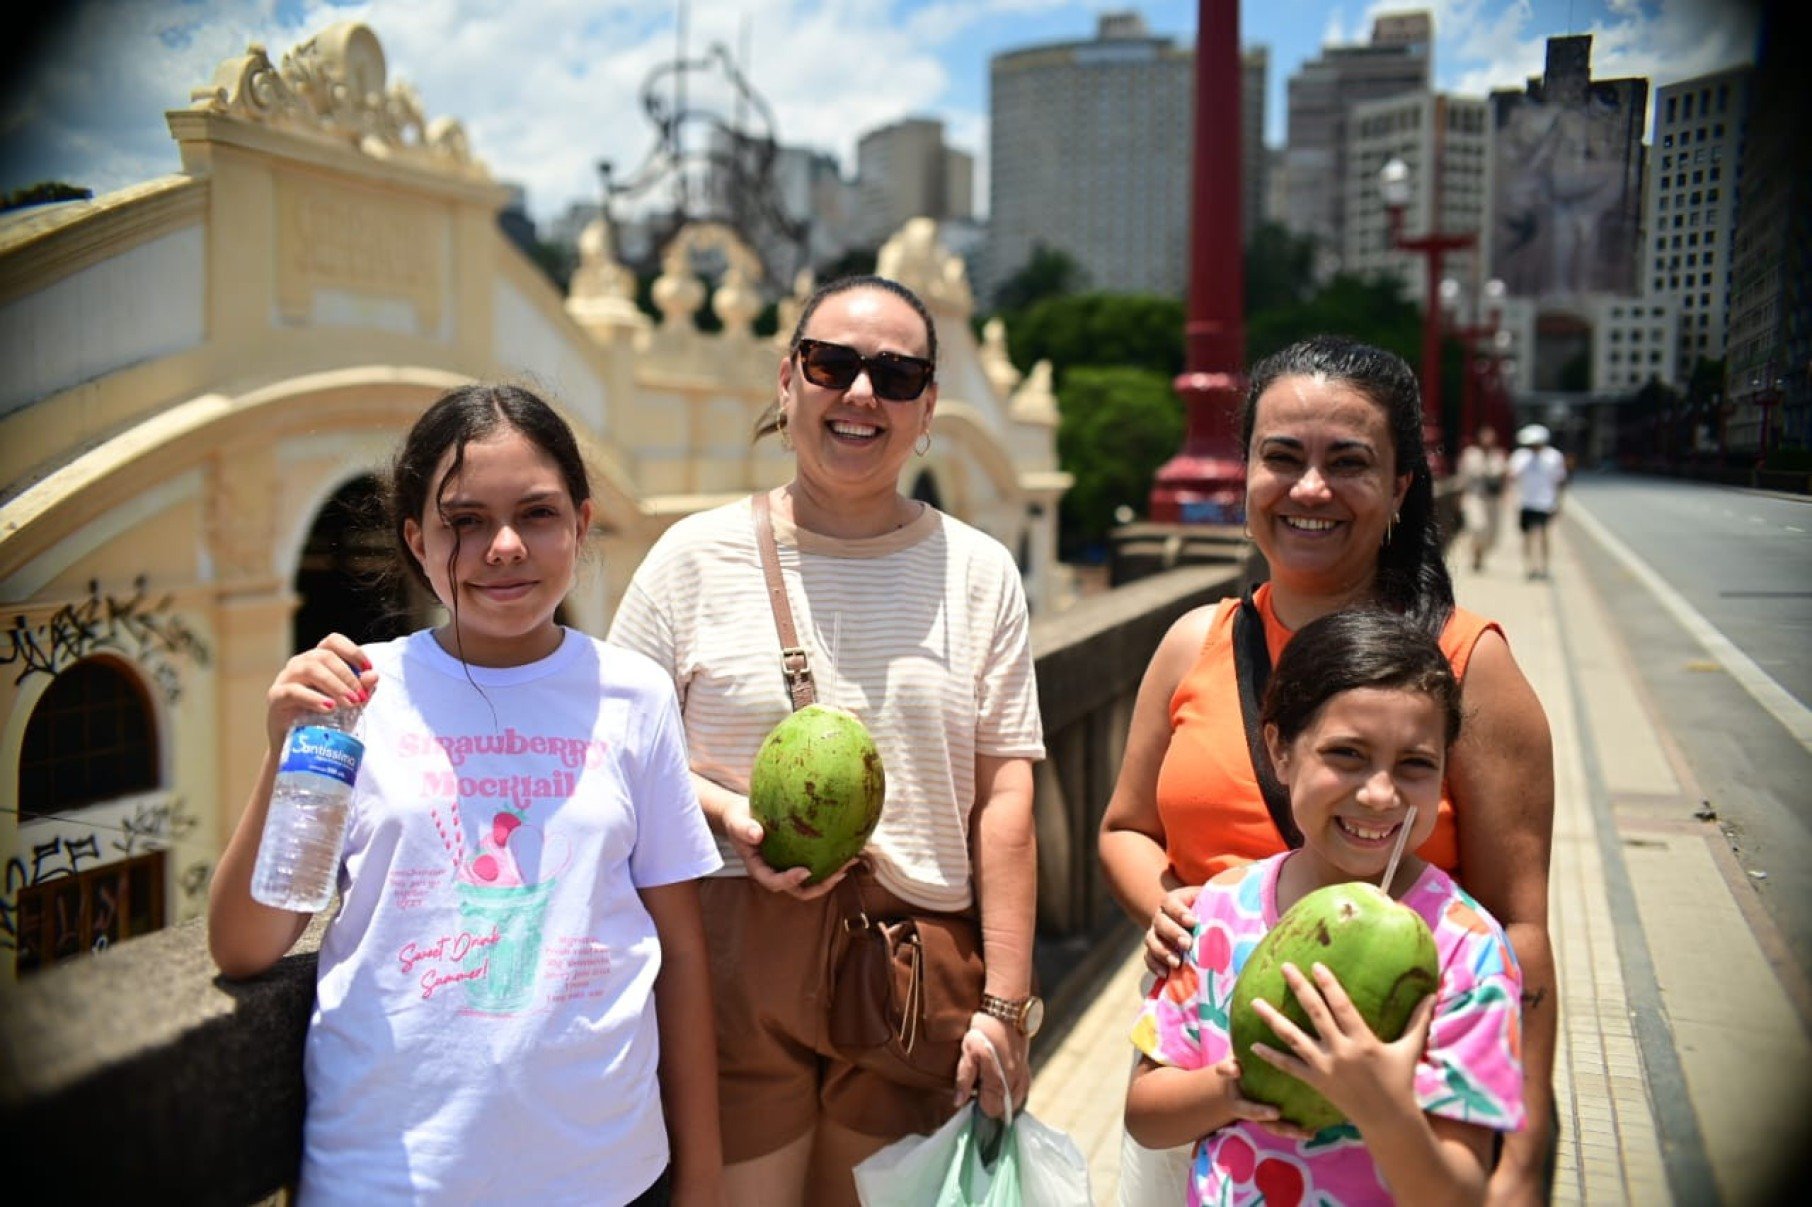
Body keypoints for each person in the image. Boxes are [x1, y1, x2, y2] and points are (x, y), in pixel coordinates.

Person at [208, 384, 724, 1205]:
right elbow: (245, 944)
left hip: (605, 1173)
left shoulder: (636, 696)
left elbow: (681, 954)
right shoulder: (359, 696)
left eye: (538, 513)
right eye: (466, 521)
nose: (505, 546)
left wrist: (703, 1178)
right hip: (382, 1175)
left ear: (583, 524)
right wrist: (286, 752)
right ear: (417, 540)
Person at [606, 274, 1045, 1206]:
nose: (859, 393)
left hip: (913, 969)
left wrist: (1008, 1006)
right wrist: (727, 812)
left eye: (894, 375)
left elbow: (1006, 797)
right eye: (831, 363)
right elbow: (613, 758)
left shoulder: (980, 572)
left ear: (927, 406)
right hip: (730, 958)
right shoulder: (689, 559)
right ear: (787, 381)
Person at [1098, 336, 1555, 1206]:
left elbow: (1520, 927)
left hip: (1393, 1108)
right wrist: (1162, 903)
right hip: (1205, 1060)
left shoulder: (1466, 662)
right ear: (1246, 479)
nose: (1310, 488)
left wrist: (1521, 1166)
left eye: (1349, 462)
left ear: (1400, 490)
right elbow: (1125, 827)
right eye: (1282, 458)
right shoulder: (1195, 643)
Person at [1125, 608, 1525, 1204]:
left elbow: (1463, 1193)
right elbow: (1145, 1114)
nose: (1380, 793)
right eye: (1347, 754)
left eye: (1415, 764)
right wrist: (1239, 1087)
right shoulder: (1216, 913)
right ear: (1280, 752)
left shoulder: (1467, 950)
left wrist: (1383, 1107)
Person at [1509, 424, 1568, 580]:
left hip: (1545, 502)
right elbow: (1512, 476)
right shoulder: (1520, 456)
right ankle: (1529, 566)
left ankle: (1544, 566)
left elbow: (1560, 481)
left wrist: (1559, 502)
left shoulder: (1554, 457)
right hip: (1525, 501)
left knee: (1543, 535)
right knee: (1527, 536)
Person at [1456, 426, 1509, 573]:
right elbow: (1462, 476)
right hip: (1474, 497)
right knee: (1478, 527)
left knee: (1491, 534)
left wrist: (1506, 494)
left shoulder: (1499, 455)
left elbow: (1505, 478)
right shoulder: (1470, 454)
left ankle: (1480, 556)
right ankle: (1474, 554)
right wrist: (1460, 496)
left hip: (1492, 499)